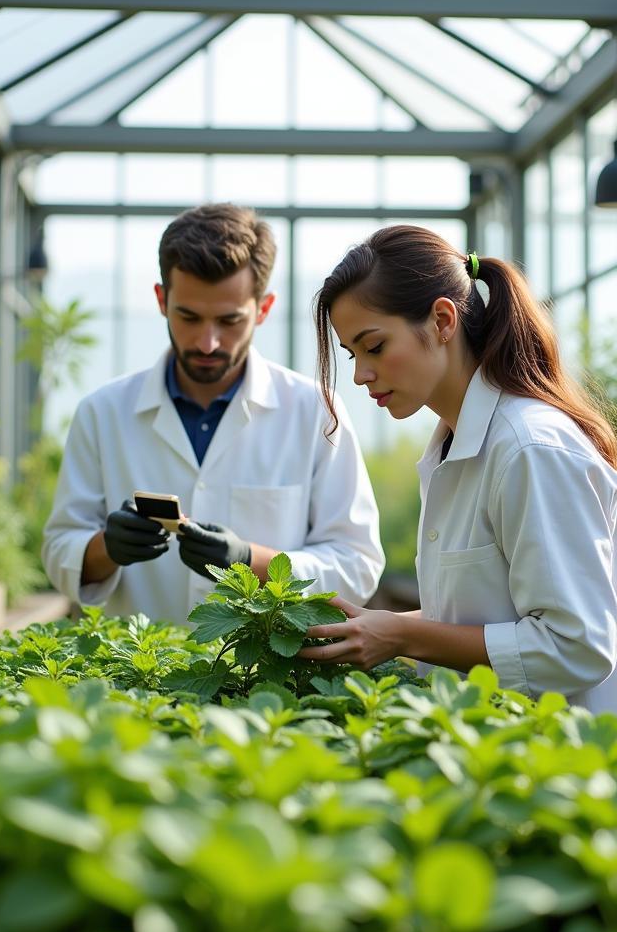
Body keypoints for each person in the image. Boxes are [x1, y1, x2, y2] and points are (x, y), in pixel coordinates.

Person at [301, 225, 617, 770]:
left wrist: (400, 635)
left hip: (610, 784)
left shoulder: (531, 447)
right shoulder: (454, 445)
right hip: (534, 776)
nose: (362, 374)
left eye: (374, 346)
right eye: (351, 355)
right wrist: (373, 628)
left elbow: (576, 644)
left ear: (442, 321)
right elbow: (490, 611)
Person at [42, 203, 384, 626]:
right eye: (188, 317)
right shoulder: (102, 412)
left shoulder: (315, 411)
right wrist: (104, 549)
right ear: (161, 300)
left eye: (229, 320)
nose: (207, 342)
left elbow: (358, 564)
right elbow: (59, 548)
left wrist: (251, 562)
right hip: (134, 678)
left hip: (266, 683)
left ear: (263, 308)